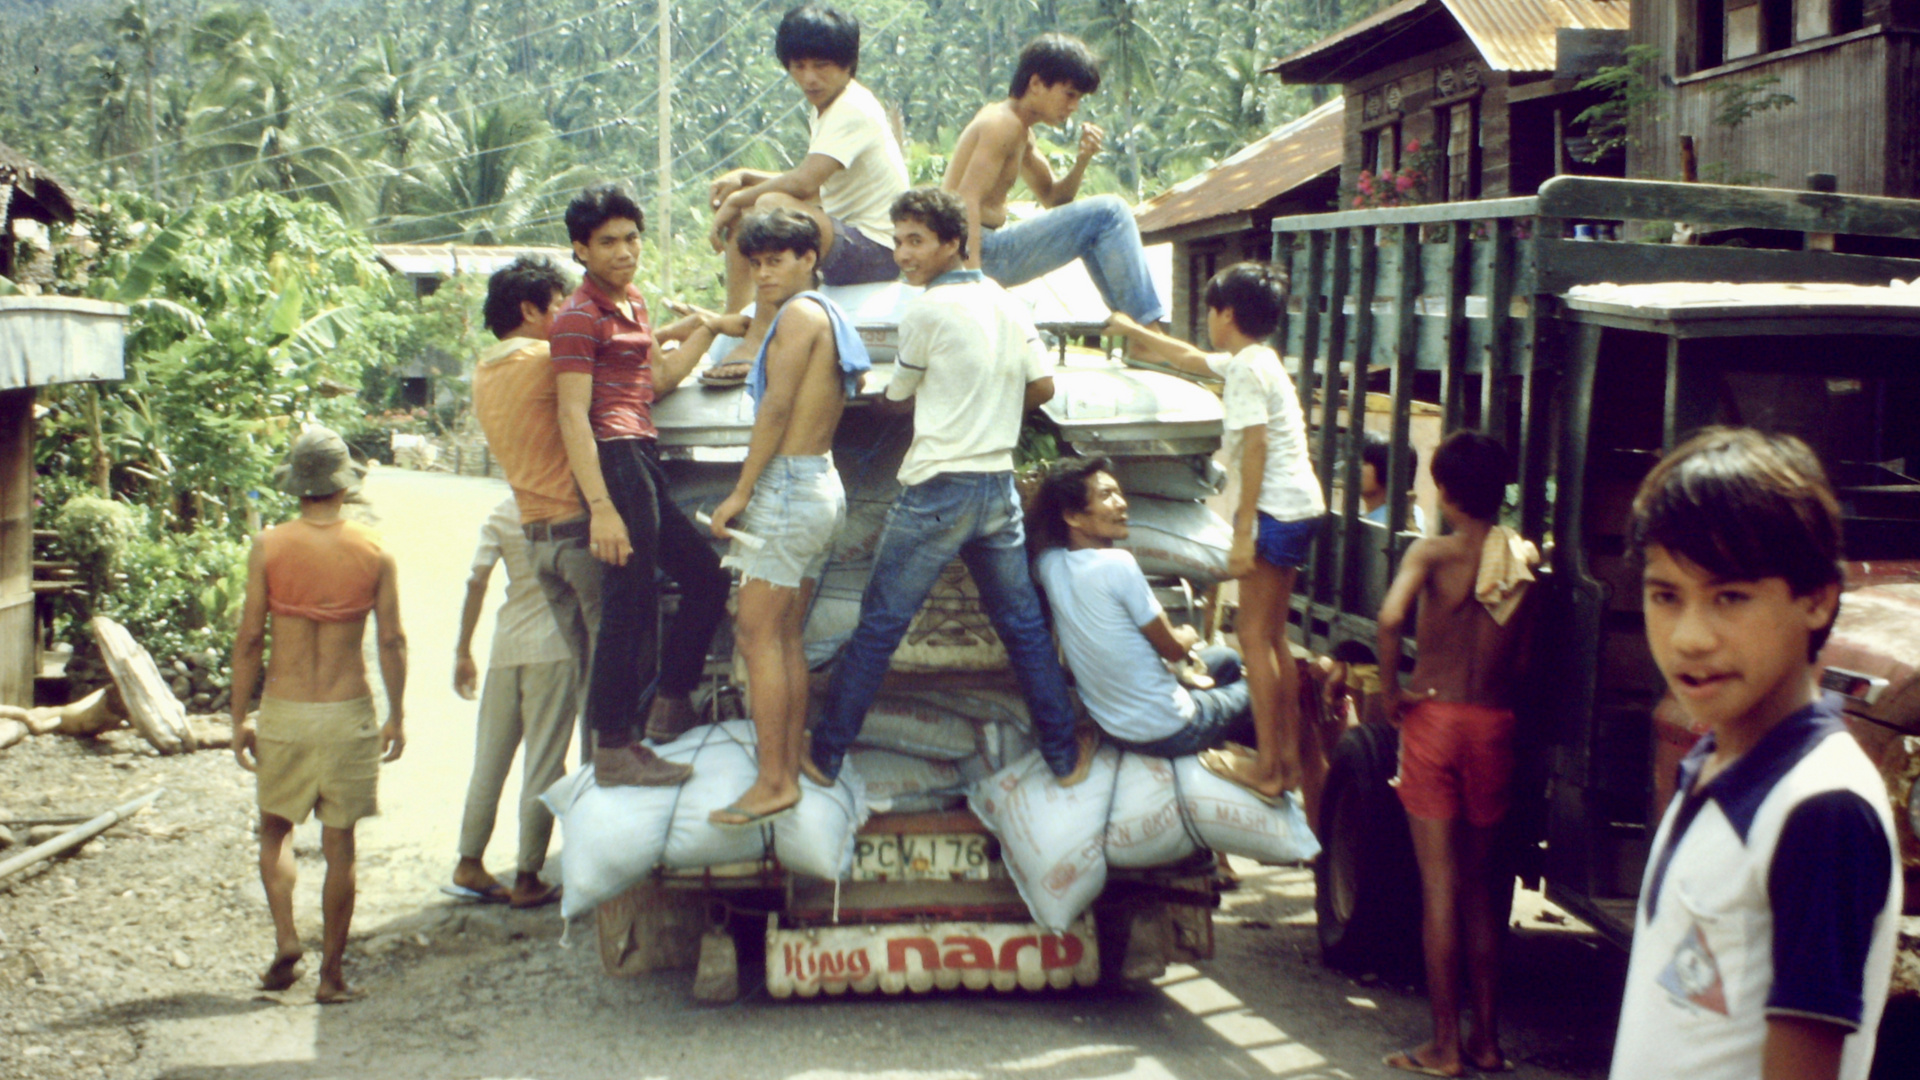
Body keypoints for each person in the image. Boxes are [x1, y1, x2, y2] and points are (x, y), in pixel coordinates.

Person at [1610, 428, 1898, 1080]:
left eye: (1729, 597)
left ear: (1818, 598)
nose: (1689, 637)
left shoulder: (1821, 811)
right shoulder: (1713, 763)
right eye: (1666, 596)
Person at [804, 187, 1092, 787]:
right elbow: (1042, 389)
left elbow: (896, 400)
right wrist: (987, 395)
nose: (903, 255)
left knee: (879, 627)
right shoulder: (1006, 302)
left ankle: (826, 756)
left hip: (936, 493)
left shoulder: (925, 313)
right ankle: (1063, 757)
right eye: (898, 241)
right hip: (995, 490)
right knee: (1024, 628)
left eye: (916, 241)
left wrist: (849, 394)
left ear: (953, 243)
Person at [1104, 264, 1325, 803]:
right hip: (1301, 507)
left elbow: (1255, 447)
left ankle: (1271, 768)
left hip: (1273, 513)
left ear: (1227, 313)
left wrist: (1243, 530)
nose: (1206, 320)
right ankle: (1288, 761)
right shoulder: (1258, 359)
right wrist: (1132, 331)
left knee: (1251, 639)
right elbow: (1188, 358)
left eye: (1209, 310)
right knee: (1273, 639)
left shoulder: (1249, 371)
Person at [553, 184, 728, 786]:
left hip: (642, 455)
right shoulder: (578, 317)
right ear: (580, 249)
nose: (624, 251)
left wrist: (705, 330)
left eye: (631, 238)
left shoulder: (632, 304)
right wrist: (600, 507)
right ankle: (613, 748)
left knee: (706, 576)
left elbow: (655, 381)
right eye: (607, 243)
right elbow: (573, 415)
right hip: (613, 461)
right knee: (629, 605)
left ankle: (667, 707)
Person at [1375, 431, 1538, 1078]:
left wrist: (1393, 693)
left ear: (1443, 491)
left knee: (1438, 888)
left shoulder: (1433, 553)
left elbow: (1390, 620)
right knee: (1479, 890)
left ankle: (1443, 1045)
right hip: (1493, 722)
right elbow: (1524, 660)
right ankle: (1488, 1041)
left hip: (1436, 719)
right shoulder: (1520, 560)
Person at [704, 209, 870, 826]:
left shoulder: (799, 316)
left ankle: (773, 782)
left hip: (789, 485)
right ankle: (788, 758)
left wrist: (740, 493)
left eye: (777, 260)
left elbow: (774, 409)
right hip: (820, 482)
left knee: (754, 635)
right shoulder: (826, 313)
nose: (765, 272)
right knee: (784, 635)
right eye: (757, 263)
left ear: (808, 259)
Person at [230, 427, 405, 1005]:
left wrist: (238, 717)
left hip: (285, 711)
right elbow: (392, 642)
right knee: (340, 847)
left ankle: (286, 939)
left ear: (297, 485)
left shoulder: (270, 546)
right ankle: (332, 976)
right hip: (346, 711)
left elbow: (251, 638)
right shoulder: (374, 551)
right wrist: (396, 714)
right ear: (343, 485)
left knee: (275, 829)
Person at [706, 3, 909, 371]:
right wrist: (746, 179)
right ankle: (738, 319)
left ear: (847, 65)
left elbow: (804, 182)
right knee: (755, 209)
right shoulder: (827, 107)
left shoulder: (852, 108)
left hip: (876, 249)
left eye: (821, 66)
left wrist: (739, 198)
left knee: (766, 206)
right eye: (799, 66)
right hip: (842, 235)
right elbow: (811, 184)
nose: (809, 78)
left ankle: (759, 335)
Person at [1029, 456, 1256, 758]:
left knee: (1226, 658)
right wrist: (1188, 633)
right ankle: (1268, 777)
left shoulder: (1049, 564)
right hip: (1169, 729)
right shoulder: (1118, 564)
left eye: (1119, 493)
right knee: (1264, 693)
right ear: (1072, 516)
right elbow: (1174, 650)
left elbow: (1036, 541)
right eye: (1106, 495)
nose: (1122, 503)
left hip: (1115, 727)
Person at [942, 33, 1164, 326]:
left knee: (1097, 224)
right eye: (1069, 94)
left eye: (1078, 98)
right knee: (1111, 212)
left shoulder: (1021, 130)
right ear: (1035, 84)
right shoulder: (1002, 124)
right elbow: (965, 199)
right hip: (979, 252)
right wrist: (970, 282)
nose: (1073, 106)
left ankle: (1138, 332)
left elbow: (1054, 198)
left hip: (987, 249)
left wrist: (1082, 161)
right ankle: (1147, 331)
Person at [448, 496, 575, 908]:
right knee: (545, 762)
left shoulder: (502, 512)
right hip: (556, 648)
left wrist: (463, 650)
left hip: (506, 648)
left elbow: (475, 580)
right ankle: (527, 876)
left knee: (489, 759)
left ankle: (469, 860)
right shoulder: (570, 508)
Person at [1361, 430, 1428, 535]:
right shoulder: (1373, 517)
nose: (1351, 467)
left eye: (1364, 463)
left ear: (1387, 469)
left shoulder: (1397, 521)